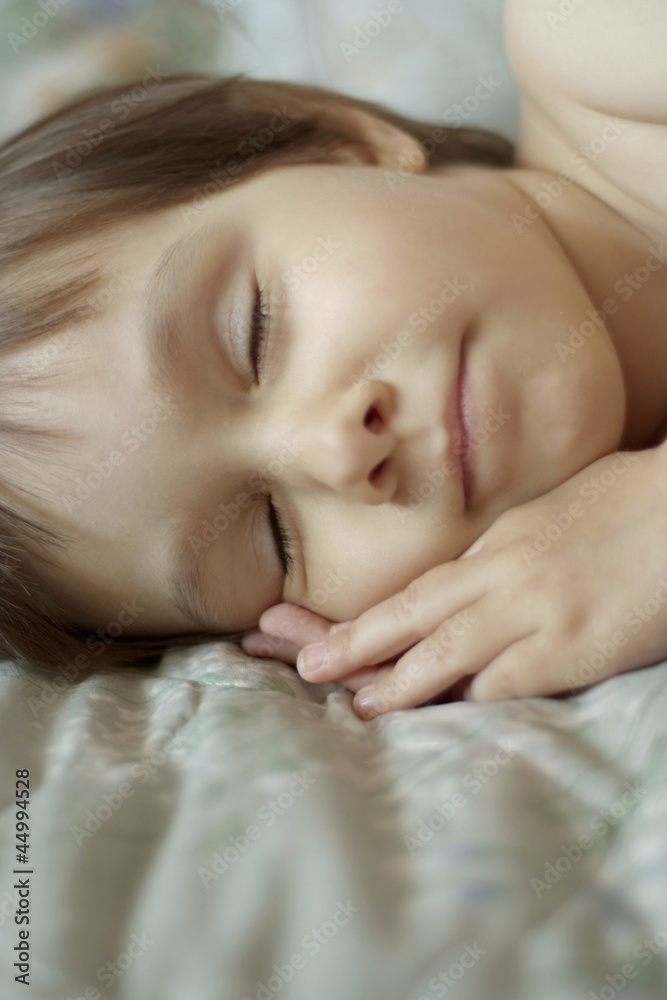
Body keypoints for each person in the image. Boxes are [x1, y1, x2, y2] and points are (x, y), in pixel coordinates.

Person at [0, 0, 665, 719]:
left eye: (252, 330)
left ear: (340, 146)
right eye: (274, 541)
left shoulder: (596, 44)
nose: (337, 448)